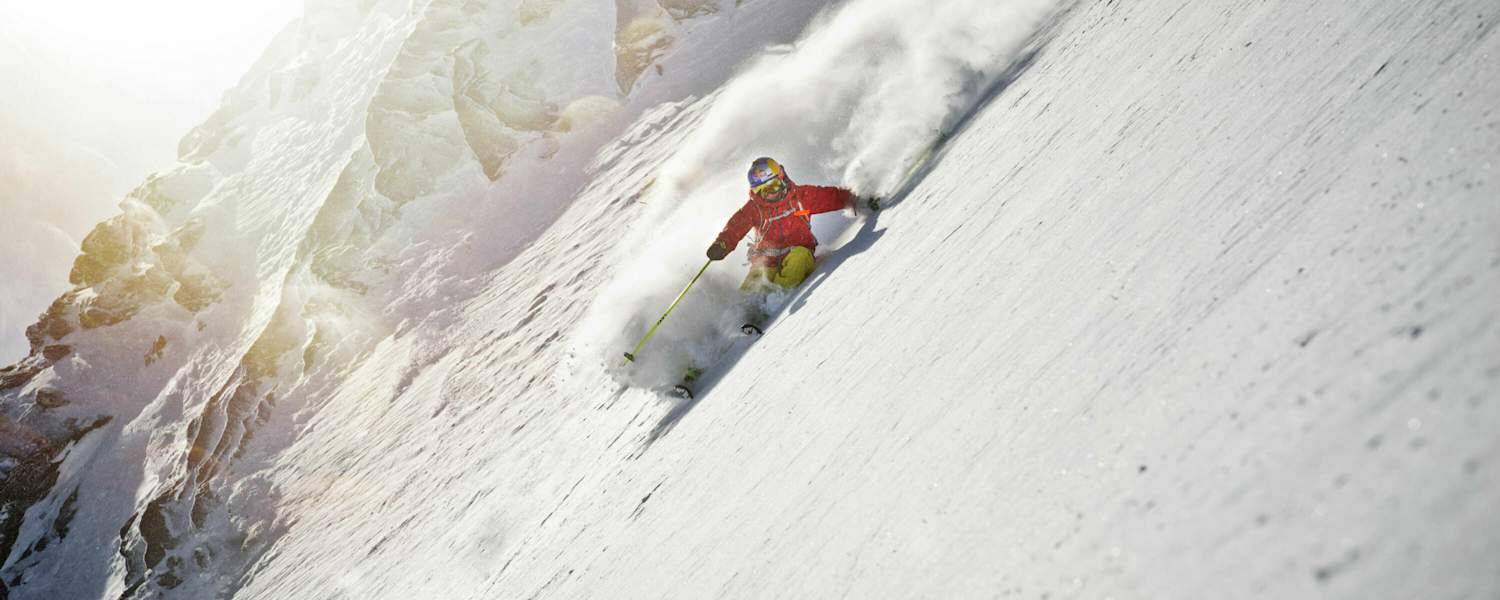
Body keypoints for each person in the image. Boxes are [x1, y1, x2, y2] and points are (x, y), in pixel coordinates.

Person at [706, 157, 876, 294]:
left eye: (774, 185)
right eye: (765, 190)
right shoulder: (755, 209)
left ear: (782, 179)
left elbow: (832, 197)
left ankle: (776, 298)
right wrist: (722, 245)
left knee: (798, 258)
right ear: (756, 192)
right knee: (756, 280)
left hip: (800, 252)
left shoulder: (801, 197)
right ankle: (744, 316)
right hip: (767, 260)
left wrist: (859, 200)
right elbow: (736, 227)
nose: (772, 193)